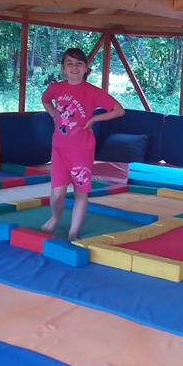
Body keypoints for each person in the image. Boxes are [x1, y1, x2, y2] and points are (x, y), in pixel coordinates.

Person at [40, 47, 125, 239]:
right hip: (59, 149)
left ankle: (73, 231)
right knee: (57, 193)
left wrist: (94, 119)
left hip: (82, 150)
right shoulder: (56, 88)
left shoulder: (93, 92)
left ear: (86, 68)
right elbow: (45, 100)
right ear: (63, 68)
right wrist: (54, 115)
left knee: (81, 191)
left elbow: (119, 110)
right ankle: (55, 217)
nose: (74, 67)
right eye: (69, 63)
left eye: (79, 63)